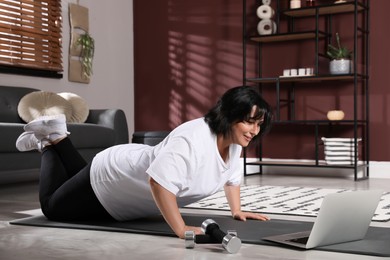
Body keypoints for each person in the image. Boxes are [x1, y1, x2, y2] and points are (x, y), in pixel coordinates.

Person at [16, 86, 272, 239]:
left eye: (258, 124)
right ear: (228, 116)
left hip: (123, 177)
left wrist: (236, 211)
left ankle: (58, 134)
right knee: (52, 207)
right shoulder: (193, 139)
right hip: (115, 178)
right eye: (249, 122)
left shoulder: (235, 142)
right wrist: (181, 228)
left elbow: (231, 178)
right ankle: (48, 143)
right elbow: (158, 183)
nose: (254, 130)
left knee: (74, 180)